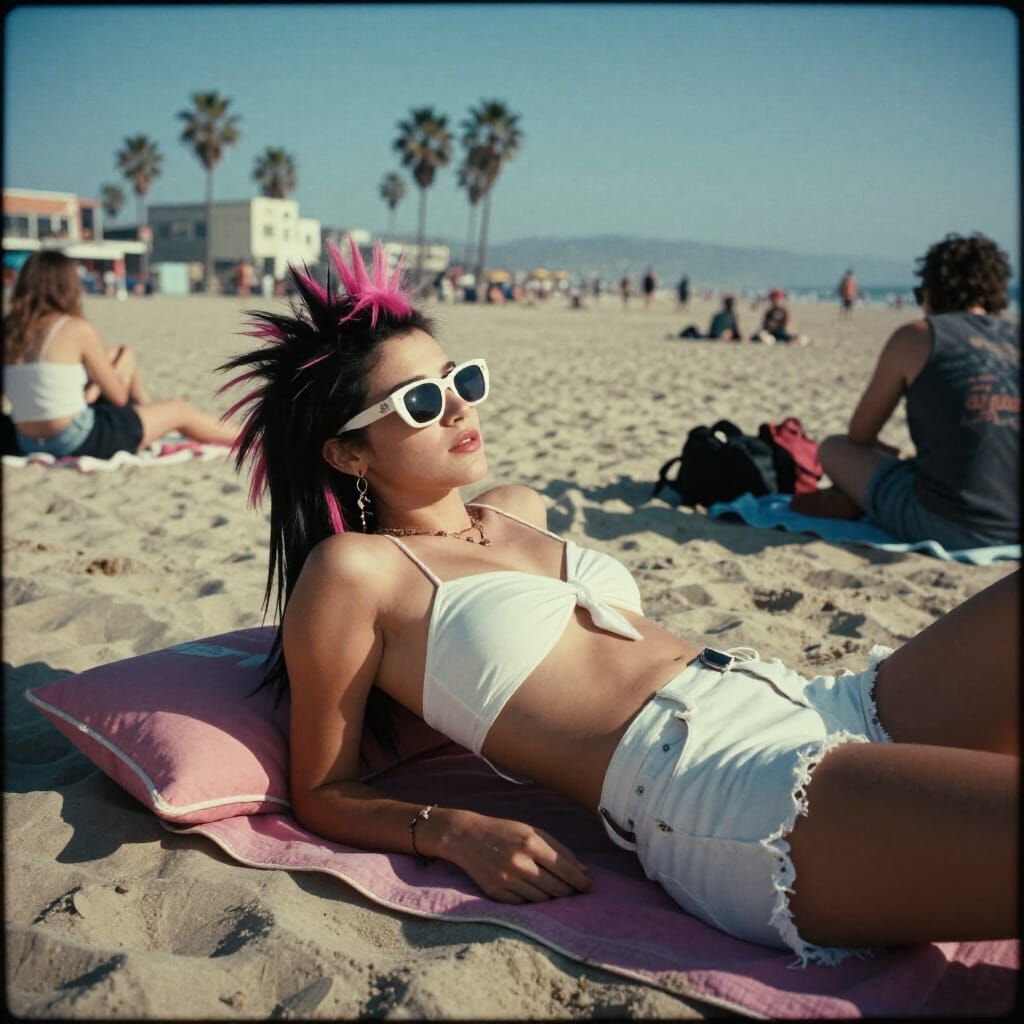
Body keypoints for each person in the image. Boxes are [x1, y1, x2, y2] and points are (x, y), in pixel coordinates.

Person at [220, 237, 1017, 970]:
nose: (460, 407)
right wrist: (451, 831)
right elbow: (322, 789)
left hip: (809, 699)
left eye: (459, 380)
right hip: (726, 791)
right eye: (420, 404)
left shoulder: (516, 507)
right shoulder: (355, 574)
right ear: (346, 451)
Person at [796, 234, 1019, 548]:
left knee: (833, 447)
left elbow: (860, 434)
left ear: (932, 291)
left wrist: (894, 455)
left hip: (951, 523)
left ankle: (860, 501)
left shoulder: (918, 336)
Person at [3, 251, 238, 459]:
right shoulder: (75, 328)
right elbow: (118, 397)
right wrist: (96, 387)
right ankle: (254, 438)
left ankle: (147, 417)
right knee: (179, 410)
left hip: (26, 440)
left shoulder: (10, 329)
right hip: (75, 439)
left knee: (119, 353)